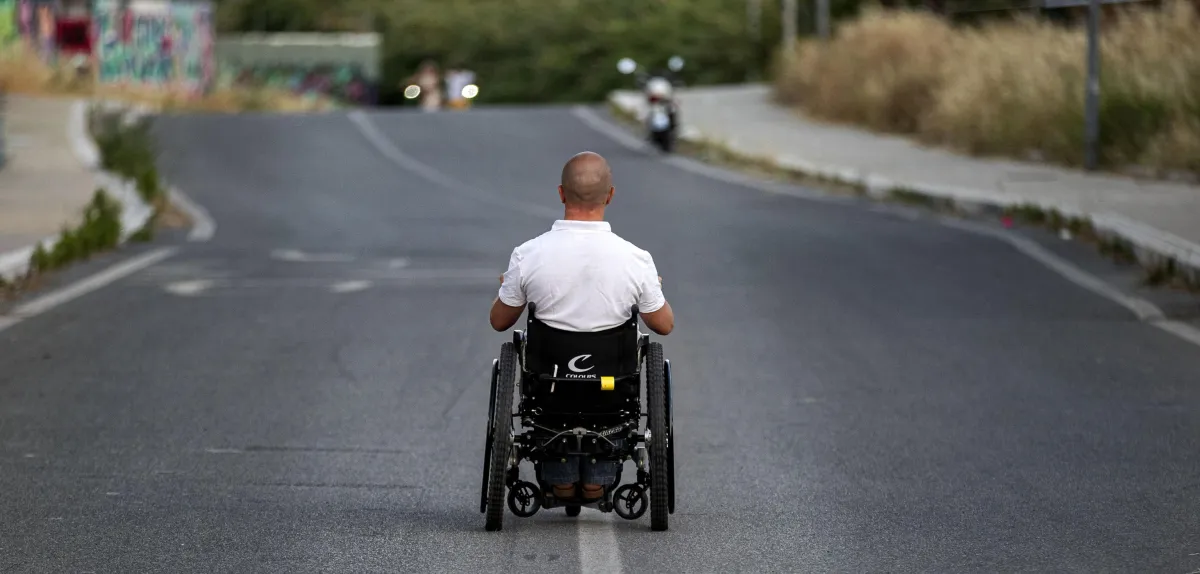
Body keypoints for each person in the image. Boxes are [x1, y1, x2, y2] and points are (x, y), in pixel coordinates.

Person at [489, 151, 674, 502]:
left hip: (549, 389)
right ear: (611, 195)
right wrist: (654, 287)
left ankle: (558, 478)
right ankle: (597, 479)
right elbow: (663, 326)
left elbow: (500, 321)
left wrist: (509, 285)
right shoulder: (636, 259)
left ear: (561, 194)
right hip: (612, 390)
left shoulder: (528, 255)